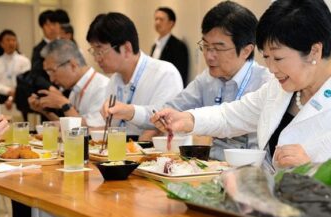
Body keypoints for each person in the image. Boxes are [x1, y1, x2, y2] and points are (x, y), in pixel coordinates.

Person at [151, 0, 331, 168]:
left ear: (314, 51)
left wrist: (314, 170)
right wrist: (187, 119)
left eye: (277, 58)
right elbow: (232, 115)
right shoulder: (280, 88)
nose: (271, 68)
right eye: (266, 57)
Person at [102, 1, 270, 160]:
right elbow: (169, 111)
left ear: (246, 50)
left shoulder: (265, 84)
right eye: (205, 46)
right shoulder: (206, 80)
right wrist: (130, 111)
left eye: (218, 48)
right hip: (208, 169)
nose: (209, 56)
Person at [86, 12, 183, 140]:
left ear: (126, 48)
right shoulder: (114, 81)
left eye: (100, 50)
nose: (97, 58)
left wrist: (129, 111)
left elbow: (165, 121)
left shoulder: (164, 73)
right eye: (94, 51)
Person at [28, 39, 109, 127]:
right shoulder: (76, 88)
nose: (51, 79)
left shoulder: (102, 87)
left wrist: (64, 104)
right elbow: (69, 127)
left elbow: (94, 131)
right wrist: (45, 111)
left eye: (52, 71)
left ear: (73, 65)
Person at [151, 7, 189, 85]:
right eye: (156, 19)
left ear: (171, 23)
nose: (157, 22)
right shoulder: (155, 46)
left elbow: (180, 75)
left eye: (161, 19)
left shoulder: (178, 46)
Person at [0, 29, 31, 112]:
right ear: (1, 43)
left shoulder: (24, 60)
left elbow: (26, 82)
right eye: (8, 40)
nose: (11, 43)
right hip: (1, 97)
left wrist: (12, 96)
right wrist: (8, 91)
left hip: (20, 98)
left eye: (13, 40)